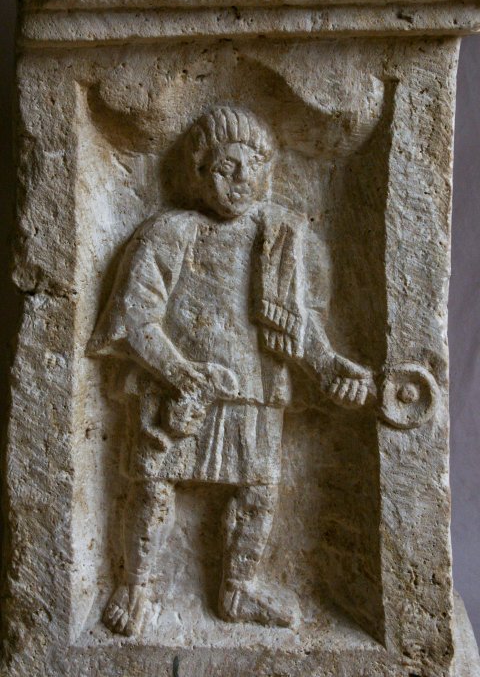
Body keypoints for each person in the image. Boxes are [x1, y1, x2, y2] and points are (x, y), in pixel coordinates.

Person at [89, 104, 372, 636]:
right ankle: (136, 583)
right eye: (225, 167)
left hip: (253, 386)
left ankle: (239, 588)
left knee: (259, 490)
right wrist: (180, 371)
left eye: (251, 167)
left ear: (268, 171)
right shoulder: (169, 232)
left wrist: (331, 366)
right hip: (176, 385)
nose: (239, 180)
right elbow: (133, 316)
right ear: (199, 173)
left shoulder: (281, 236)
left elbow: (300, 324)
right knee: (153, 485)